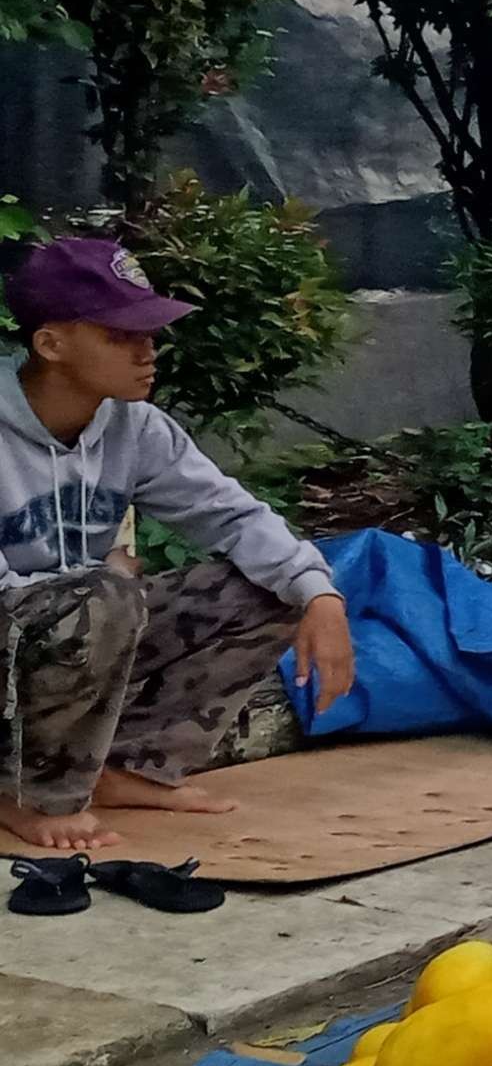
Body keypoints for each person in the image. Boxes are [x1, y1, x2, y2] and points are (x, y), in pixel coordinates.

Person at [2, 239, 355, 851]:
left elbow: (233, 516)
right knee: (104, 598)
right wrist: (101, 589)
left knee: (267, 588)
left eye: (150, 332)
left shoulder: (134, 427)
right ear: (51, 344)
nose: (148, 352)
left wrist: (320, 594)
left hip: (68, 629)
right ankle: (28, 793)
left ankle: (125, 766)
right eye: (121, 335)